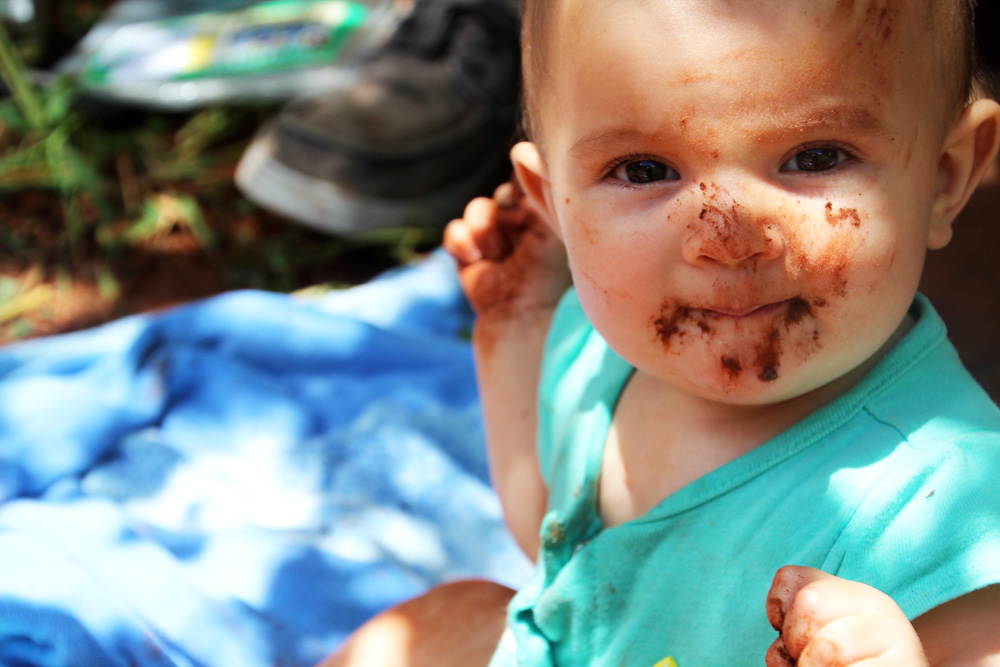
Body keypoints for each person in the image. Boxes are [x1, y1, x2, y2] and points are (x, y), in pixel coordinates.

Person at [320, 0, 1000, 665]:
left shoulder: (949, 504)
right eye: (644, 170)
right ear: (552, 199)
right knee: (442, 621)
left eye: (815, 156)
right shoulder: (603, 350)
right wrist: (519, 326)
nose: (726, 238)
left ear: (945, 174)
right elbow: (562, 552)